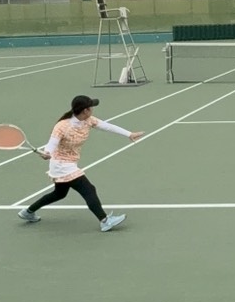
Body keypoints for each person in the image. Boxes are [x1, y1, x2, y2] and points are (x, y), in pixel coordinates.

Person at [18, 95, 143, 232]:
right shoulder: (62, 126)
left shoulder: (88, 120)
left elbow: (107, 126)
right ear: (85, 110)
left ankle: (28, 212)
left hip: (70, 162)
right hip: (61, 165)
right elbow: (52, 143)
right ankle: (105, 220)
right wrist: (47, 152)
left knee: (59, 194)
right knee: (89, 189)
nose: (92, 109)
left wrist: (129, 134)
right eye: (91, 107)